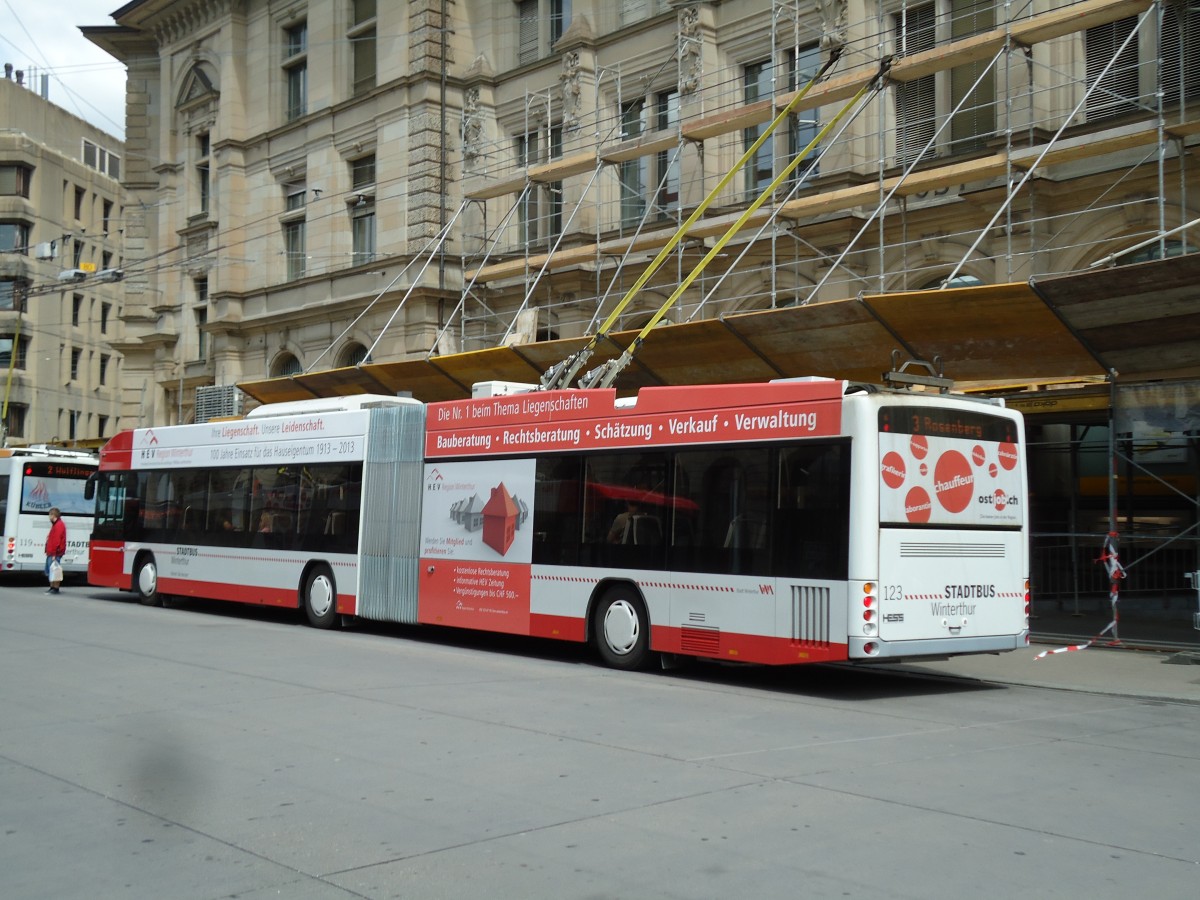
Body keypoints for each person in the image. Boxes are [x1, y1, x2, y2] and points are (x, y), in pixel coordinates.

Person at [45, 507, 66, 594]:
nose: (49, 517)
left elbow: (56, 540)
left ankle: (55, 588)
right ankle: (52, 587)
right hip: (52, 552)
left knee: (54, 570)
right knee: (51, 570)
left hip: (55, 553)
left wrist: (54, 553)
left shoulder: (58, 525)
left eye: (50, 515)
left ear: (53, 515)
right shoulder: (56, 524)